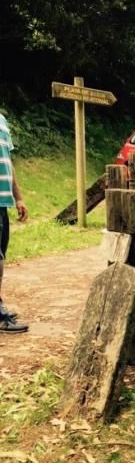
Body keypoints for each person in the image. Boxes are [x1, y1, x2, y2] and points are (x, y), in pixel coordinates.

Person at [0, 112, 29, 333]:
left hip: (3, 203)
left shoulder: (2, 120)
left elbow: (9, 162)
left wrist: (18, 197)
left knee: (1, 256)